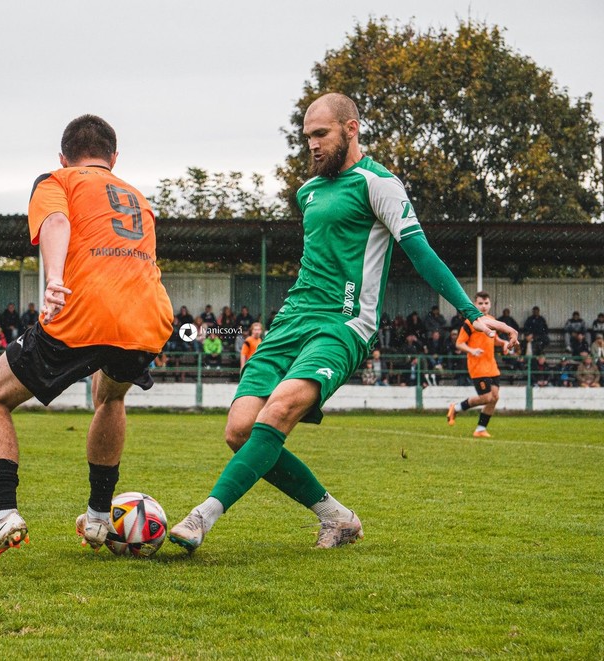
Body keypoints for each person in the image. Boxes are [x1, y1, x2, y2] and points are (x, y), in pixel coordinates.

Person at [167, 93, 518, 555]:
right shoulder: (307, 192)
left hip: (344, 324)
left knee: (278, 412)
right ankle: (337, 517)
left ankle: (203, 516)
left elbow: (421, 252)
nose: (311, 145)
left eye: (321, 134)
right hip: (291, 321)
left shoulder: (379, 183)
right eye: (306, 137)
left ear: (351, 129)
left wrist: (473, 314)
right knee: (238, 431)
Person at [0, 114, 173, 571]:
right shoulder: (137, 196)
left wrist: (54, 278)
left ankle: (2, 514)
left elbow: (56, 221)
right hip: (147, 318)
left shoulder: (56, 179)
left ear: (63, 156)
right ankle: (98, 518)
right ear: (114, 158)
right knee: (110, 397)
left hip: (83, 310)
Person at [446, 292, 512, 437]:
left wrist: (504, 343)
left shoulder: (491, 320)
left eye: (486, 303)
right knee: (486, 397)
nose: (483, 306)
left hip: (491, 365)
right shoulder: (470, 322)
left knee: (494, 397)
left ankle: (480, 429)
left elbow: (494, 340)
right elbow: (459, 343)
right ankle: (456, 407)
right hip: (477, 366)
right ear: (475, 305)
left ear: (489, 304)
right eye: (480, 303)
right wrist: (472, 350)